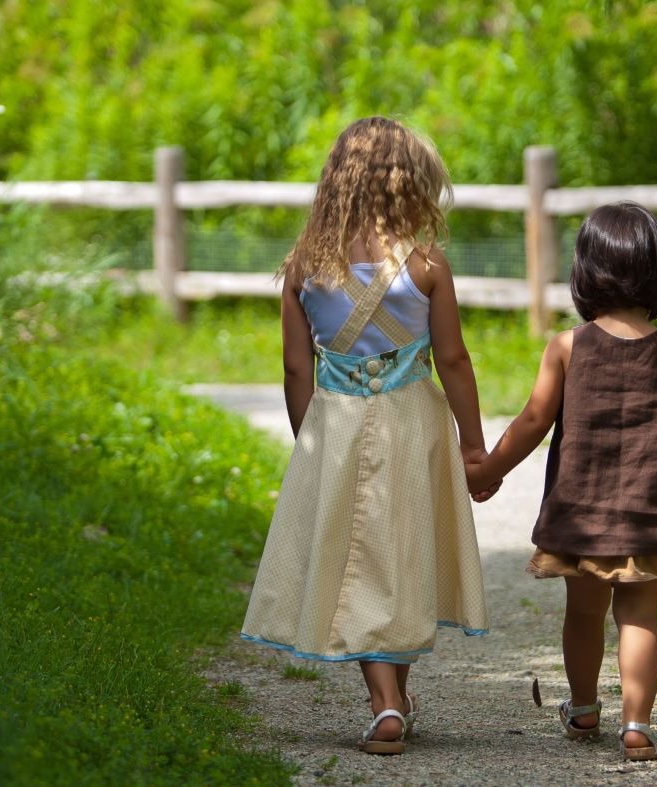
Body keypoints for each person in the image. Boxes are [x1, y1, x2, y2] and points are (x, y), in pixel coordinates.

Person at [239, 117, 491, 756]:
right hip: (414, 421)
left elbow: (298, 367)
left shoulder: (303, 266)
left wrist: (310, 437)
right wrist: (472, 439)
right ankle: (391, 700)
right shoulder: (427, 263)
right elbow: (455, 360)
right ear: (410, 183)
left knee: (358, 558)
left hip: (340, 421)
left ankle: (388, 700)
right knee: (399, 552)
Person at [464, 201, 657, 760]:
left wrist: (489, 470)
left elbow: (533, 421)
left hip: (580, 515)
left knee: (583, 613)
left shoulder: (567, 347)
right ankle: (638, 725)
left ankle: (583, 711)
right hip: (652, 513)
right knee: (639, 615)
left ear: (584, 272)